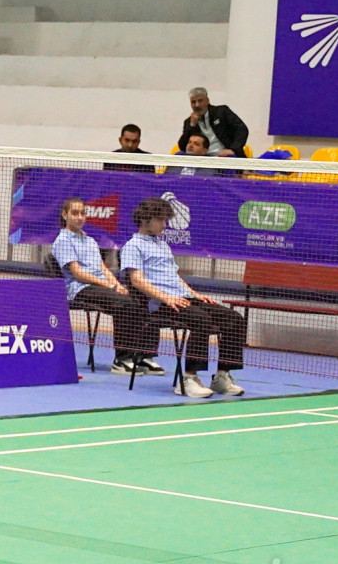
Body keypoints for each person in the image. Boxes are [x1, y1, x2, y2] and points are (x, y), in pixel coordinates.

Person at [120, 197, 246, 398]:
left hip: (182, 298)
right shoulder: (133, 246)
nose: (164, 224)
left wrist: (194, 294)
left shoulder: (163, 245)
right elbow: (137, 280)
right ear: (145, 219)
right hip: (160, 304)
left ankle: (222, 377)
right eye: (160, 220)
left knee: (234, 318)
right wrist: (166, 298)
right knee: (200, 319)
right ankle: (188, 379)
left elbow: (174, 277)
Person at [51, 197, 158, 376]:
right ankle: (122, 360)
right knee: (124, 303)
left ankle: (142, 355)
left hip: (101, 286)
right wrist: (109, 286)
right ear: (65, 215)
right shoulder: (63, 241)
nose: (80, 217)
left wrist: (117, 284)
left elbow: (103, 268)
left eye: (82, 213)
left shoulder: (90, 240)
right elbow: (78, 273)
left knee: (141, 299)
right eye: (75, 213)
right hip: (80, 289)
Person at [177, 88, 247, 158]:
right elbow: (182, 146)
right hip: (203, 157)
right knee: (178, 155)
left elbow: (242, 129)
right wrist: (192, 126)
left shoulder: (221, 112)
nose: (197, 105)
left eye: (200, 101)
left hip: (225, 155)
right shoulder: (189, 122)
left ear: (207, 101)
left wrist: (233, 149)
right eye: (193, 102)